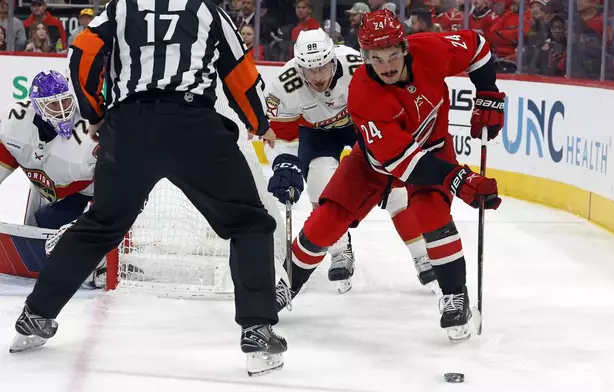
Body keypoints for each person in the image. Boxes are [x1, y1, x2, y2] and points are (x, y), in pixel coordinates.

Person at [10, 1, 286, 377]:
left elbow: (83, 52)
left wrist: (94, 114)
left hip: (129, 129)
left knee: (100, 224)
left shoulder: (120, 7)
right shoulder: (207, 10)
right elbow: (239, 72)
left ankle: (35, 315)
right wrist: (257, 120)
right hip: (194, 127)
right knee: (248, 223)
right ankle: (257, 329)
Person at [277, 9, 505, 343]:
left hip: (432, 147)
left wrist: (487, 94)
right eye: (376, 58)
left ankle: (455, 295)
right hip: (373, 161)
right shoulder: (364, 93)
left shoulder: (430, 48)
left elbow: (478, 47)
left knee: (432, 214)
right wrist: (458, 178)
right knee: (327, 219)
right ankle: (286, 285)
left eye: (393, 55)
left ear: (404, 48)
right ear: (365, 57)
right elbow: (403, 163)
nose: (386, 65)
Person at [264, 28, 438, 300]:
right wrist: (285, 164)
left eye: (323, 67)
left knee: (395, 190)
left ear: (333, 60)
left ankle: (422, 256)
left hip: (361, 123)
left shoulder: (358, 65)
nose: (319, 77)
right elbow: (282, 138)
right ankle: (339, 248)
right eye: (311, 70)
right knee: (322, 184)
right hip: (316, 133)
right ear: (299, 67)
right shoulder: (284, 86)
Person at [0, 70, 106, 288]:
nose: (63, 111)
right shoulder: (14, 122)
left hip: (96, 194)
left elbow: (120, 192)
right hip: (57, 191)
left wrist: (98, 232)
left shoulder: (90, 134)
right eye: (53, 105)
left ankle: (114, 252)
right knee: (41, 227)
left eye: (66, 102)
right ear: (37, 106)